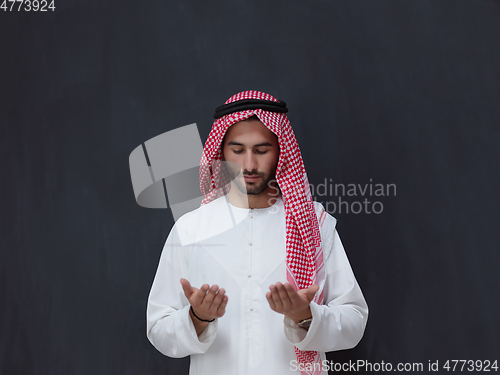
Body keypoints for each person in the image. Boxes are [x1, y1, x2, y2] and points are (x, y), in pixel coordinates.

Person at [146, 90, 368, 375]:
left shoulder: (315, 225)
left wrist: (305, 317)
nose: (249, 165)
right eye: (237, 151)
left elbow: (354, 321)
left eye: (262, 151)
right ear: (221, 153)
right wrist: (197, 318)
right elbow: (158, 328)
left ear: (280, 152)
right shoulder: (191, 229)